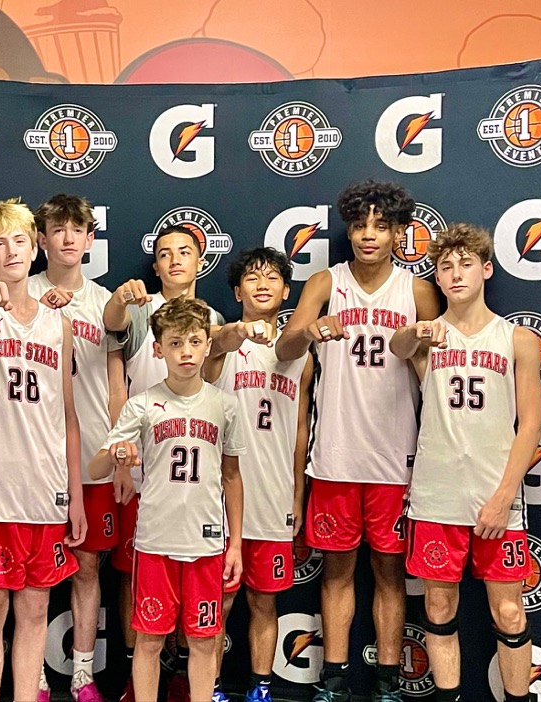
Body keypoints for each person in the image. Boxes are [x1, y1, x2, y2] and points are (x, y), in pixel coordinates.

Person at [275, 180, 439, 702]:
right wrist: (309, 331)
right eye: (360, 225)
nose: (369, 235)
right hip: (336, 457)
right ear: (348, 230)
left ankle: (388, 683)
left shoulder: (416, 291)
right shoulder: (326, 281)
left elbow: (438, 372)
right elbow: (283, 349)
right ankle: (335, 680)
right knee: (336, 574)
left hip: (395, 459)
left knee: (390, 576)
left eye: (381, 226)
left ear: (398, 233)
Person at [390, 224, 541, 702]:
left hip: (496, 498)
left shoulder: (517, 339)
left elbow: (530, 426)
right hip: (437, 497)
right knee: (438, 606)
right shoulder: (430, 337)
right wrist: (415, 330)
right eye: (446, 266)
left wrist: (502, 498)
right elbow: (397, 348)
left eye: (466, 264)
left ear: (486, 270)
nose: (456, 274)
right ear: (437, 277)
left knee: (509, 612)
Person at [0, 198, 86, 702]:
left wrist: (75, 495)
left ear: (35, 248)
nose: (10, 251)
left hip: (45, 491)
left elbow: (67, 414)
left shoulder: (59, 323)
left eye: (20, 241)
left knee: (34, 610)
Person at [90, 296, 245, 702]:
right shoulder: (142, 404)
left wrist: (235, 545)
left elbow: (232, 477)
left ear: (208, 346)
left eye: (194, 342)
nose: (186, 352)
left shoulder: (225, 405)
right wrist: (116, 454)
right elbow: (96, 467)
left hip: (206, 543)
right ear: (158, 349)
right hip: (155, 541)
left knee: (204, 640)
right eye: (175, 343)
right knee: (149, 640)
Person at [102, 225, 225, 701]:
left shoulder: (211, 319)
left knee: (195, 587)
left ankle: (184, 677)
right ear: (154, 266)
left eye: (185, 251)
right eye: (165, 253)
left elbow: (216, 387)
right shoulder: (139, 309)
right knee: (136, 573)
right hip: (143, 464)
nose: (175, 260)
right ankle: (137, 677)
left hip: (193, 466)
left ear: (200, 261)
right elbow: (113, 336)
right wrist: (121, 463)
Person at [28, 194, 127, 702]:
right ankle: (34, 676)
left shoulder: (104, 301)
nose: (68, 238)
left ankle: (83, 675)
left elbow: (115, 385)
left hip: (90, 458)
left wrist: (120, 453)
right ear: (41, 239)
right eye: (57, 229)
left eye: (77, 230)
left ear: (90, 239)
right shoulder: (21, 291)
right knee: (35, 578)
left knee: (87, 569)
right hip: (35, 460)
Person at [204, 247, 312, 702]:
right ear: (236, 292)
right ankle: (209, 688)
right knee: (218, 602)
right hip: (221, 499)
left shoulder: (300, 354)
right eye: (251, 277)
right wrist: (240, 332)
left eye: (272, 278)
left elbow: (301, 429)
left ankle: (261, 688)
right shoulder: (219, 343)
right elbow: (218, 342)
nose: (262, 284)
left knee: (264, 601)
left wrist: (298, 496)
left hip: (273, 496)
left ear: (286, 291)